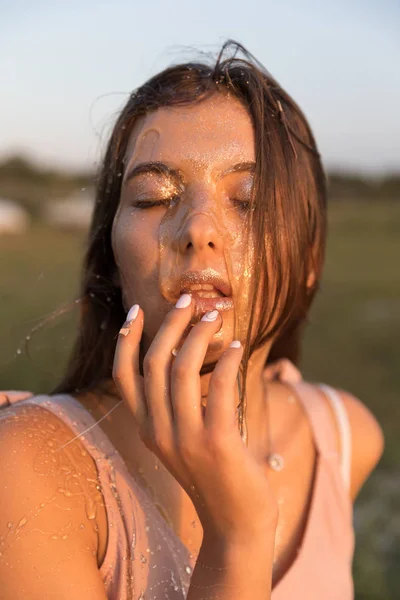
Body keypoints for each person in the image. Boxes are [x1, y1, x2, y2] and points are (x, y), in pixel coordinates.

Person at [0, 41, 384, 599]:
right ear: (112, 260)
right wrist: (239, 539)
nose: (197, 230)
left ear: (310, 258)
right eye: (154, 197)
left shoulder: (344, 437)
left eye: (248, 199)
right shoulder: (29, 468)